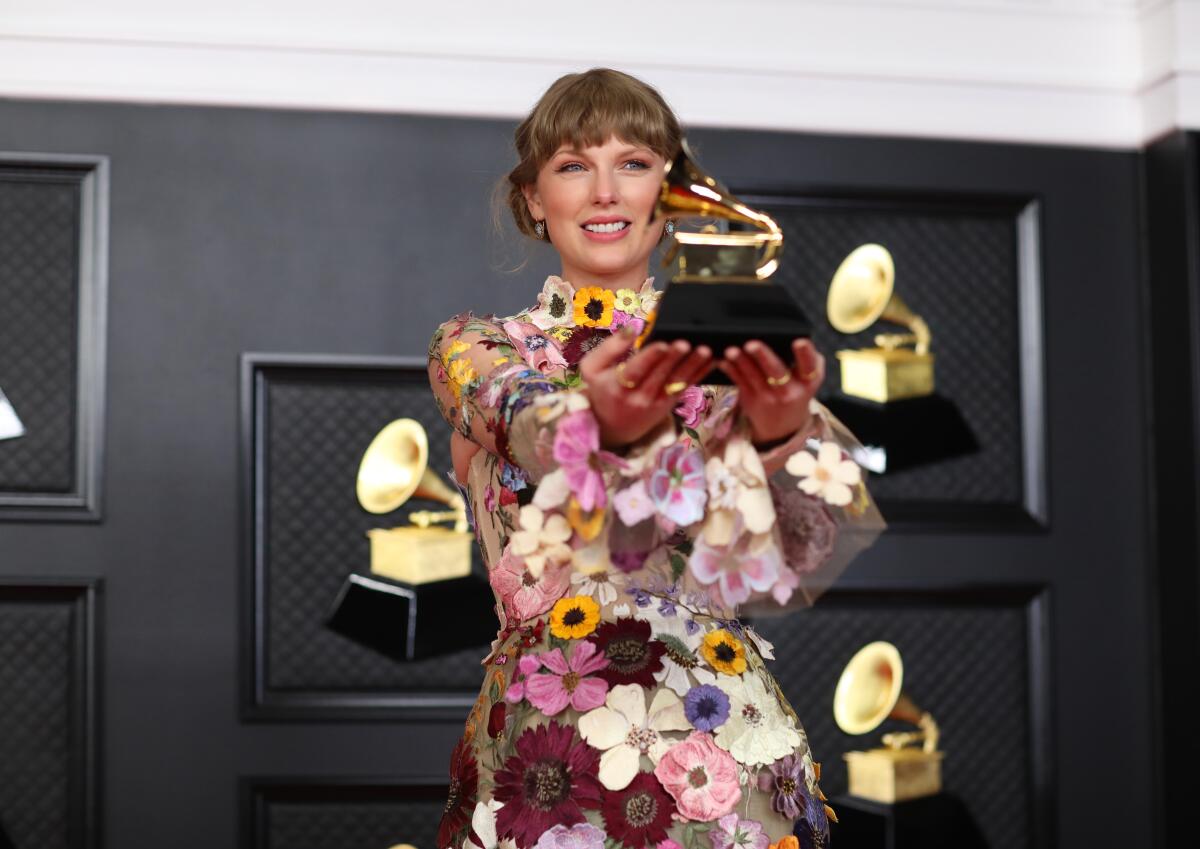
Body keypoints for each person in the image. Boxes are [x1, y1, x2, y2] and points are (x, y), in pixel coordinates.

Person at [428, 68, 884, 849]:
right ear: (536, 198)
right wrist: (598, 418)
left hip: (731, 756)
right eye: (574, 165)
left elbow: (811, 550)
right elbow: (527, 422)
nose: (605, 191)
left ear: (669, 195)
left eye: (633, 163)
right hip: (541, 766)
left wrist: (777, 434)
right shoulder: (480, 349)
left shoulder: (731, 356)